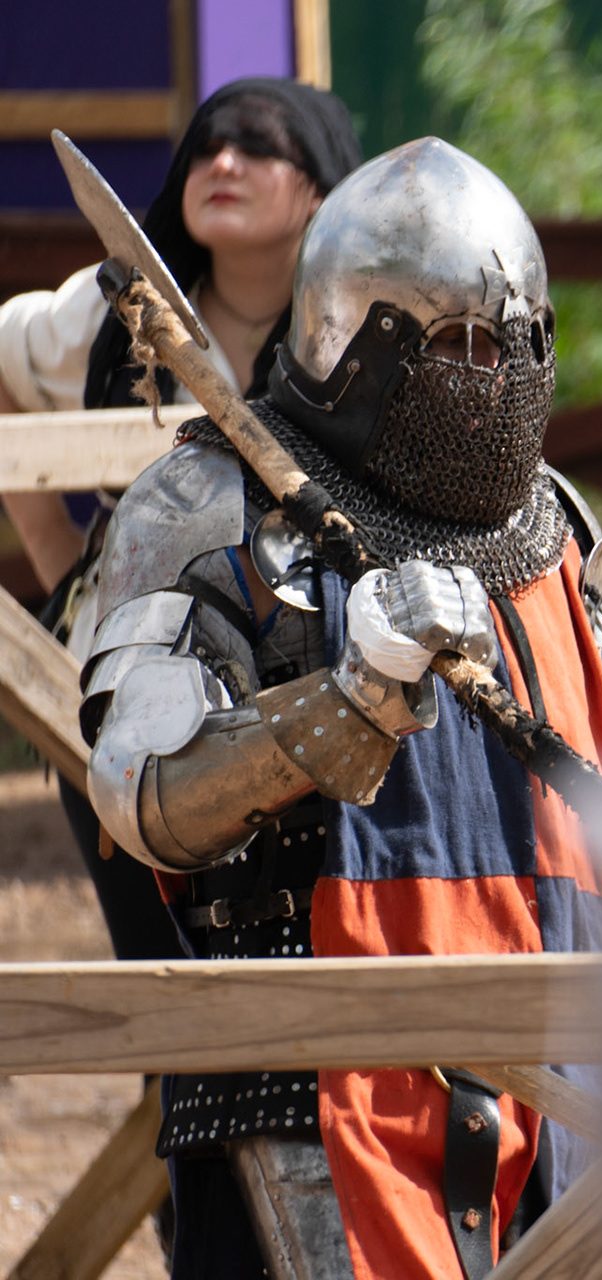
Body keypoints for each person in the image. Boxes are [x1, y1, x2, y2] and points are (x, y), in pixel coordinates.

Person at [78, 137, 602, 1280]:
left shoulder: (553, 524)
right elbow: (141, 795)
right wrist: (346, 700)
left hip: (577, 1075)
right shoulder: (207, 503)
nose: (498, 377)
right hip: (311, 1076)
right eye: (459, 346)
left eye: (522, 343)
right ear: (359, 345)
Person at [0, 79, 361, 974]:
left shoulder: (362, 322)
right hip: (126, 684)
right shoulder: (111, 310)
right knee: (161, 965)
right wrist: (56, 556)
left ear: (319, 187)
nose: (223, 162)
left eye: (258, 147)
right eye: (205, 148)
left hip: (327, 686)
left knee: (315, 953)